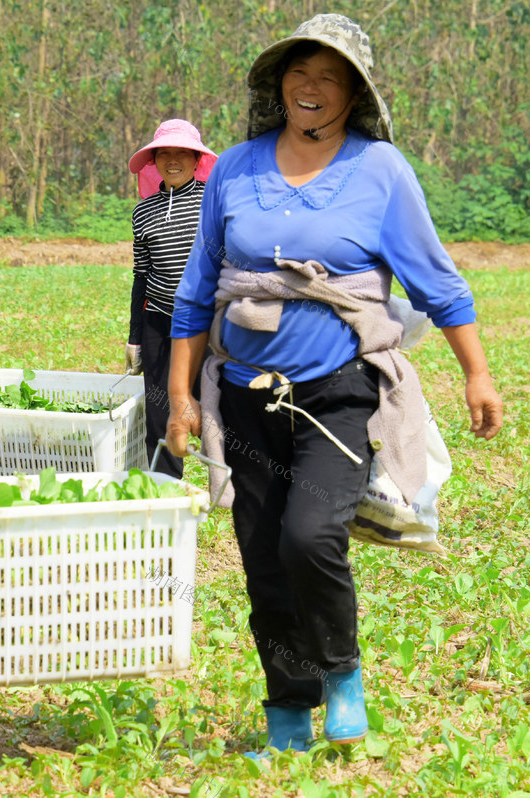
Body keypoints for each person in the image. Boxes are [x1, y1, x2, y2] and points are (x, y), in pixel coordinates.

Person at [165, 15, 503, 758]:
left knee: (308, 538)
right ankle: (288, 715)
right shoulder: (236, 168)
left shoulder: (380, 171)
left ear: (354, 94)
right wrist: (183, 397)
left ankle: (340, 672)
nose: (310, 87)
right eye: (299, 73)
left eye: (329, 76)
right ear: (278, 84)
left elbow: (437, 281)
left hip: (335, 394)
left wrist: (477, 374)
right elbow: (195, 290)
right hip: (248, 395)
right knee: (261, 554)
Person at [126, 119, 217, 477]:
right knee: (160, 413)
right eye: (165, 153)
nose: (173, 160)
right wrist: (135, 337)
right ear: (154, 161)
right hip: (158, 321)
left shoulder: (211, 203)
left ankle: (228, 486)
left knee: (218, 408)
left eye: (182, 153)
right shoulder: (142, 213)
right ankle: (166, 493)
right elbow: (141, 277)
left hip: (207, 323)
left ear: (197, 160)